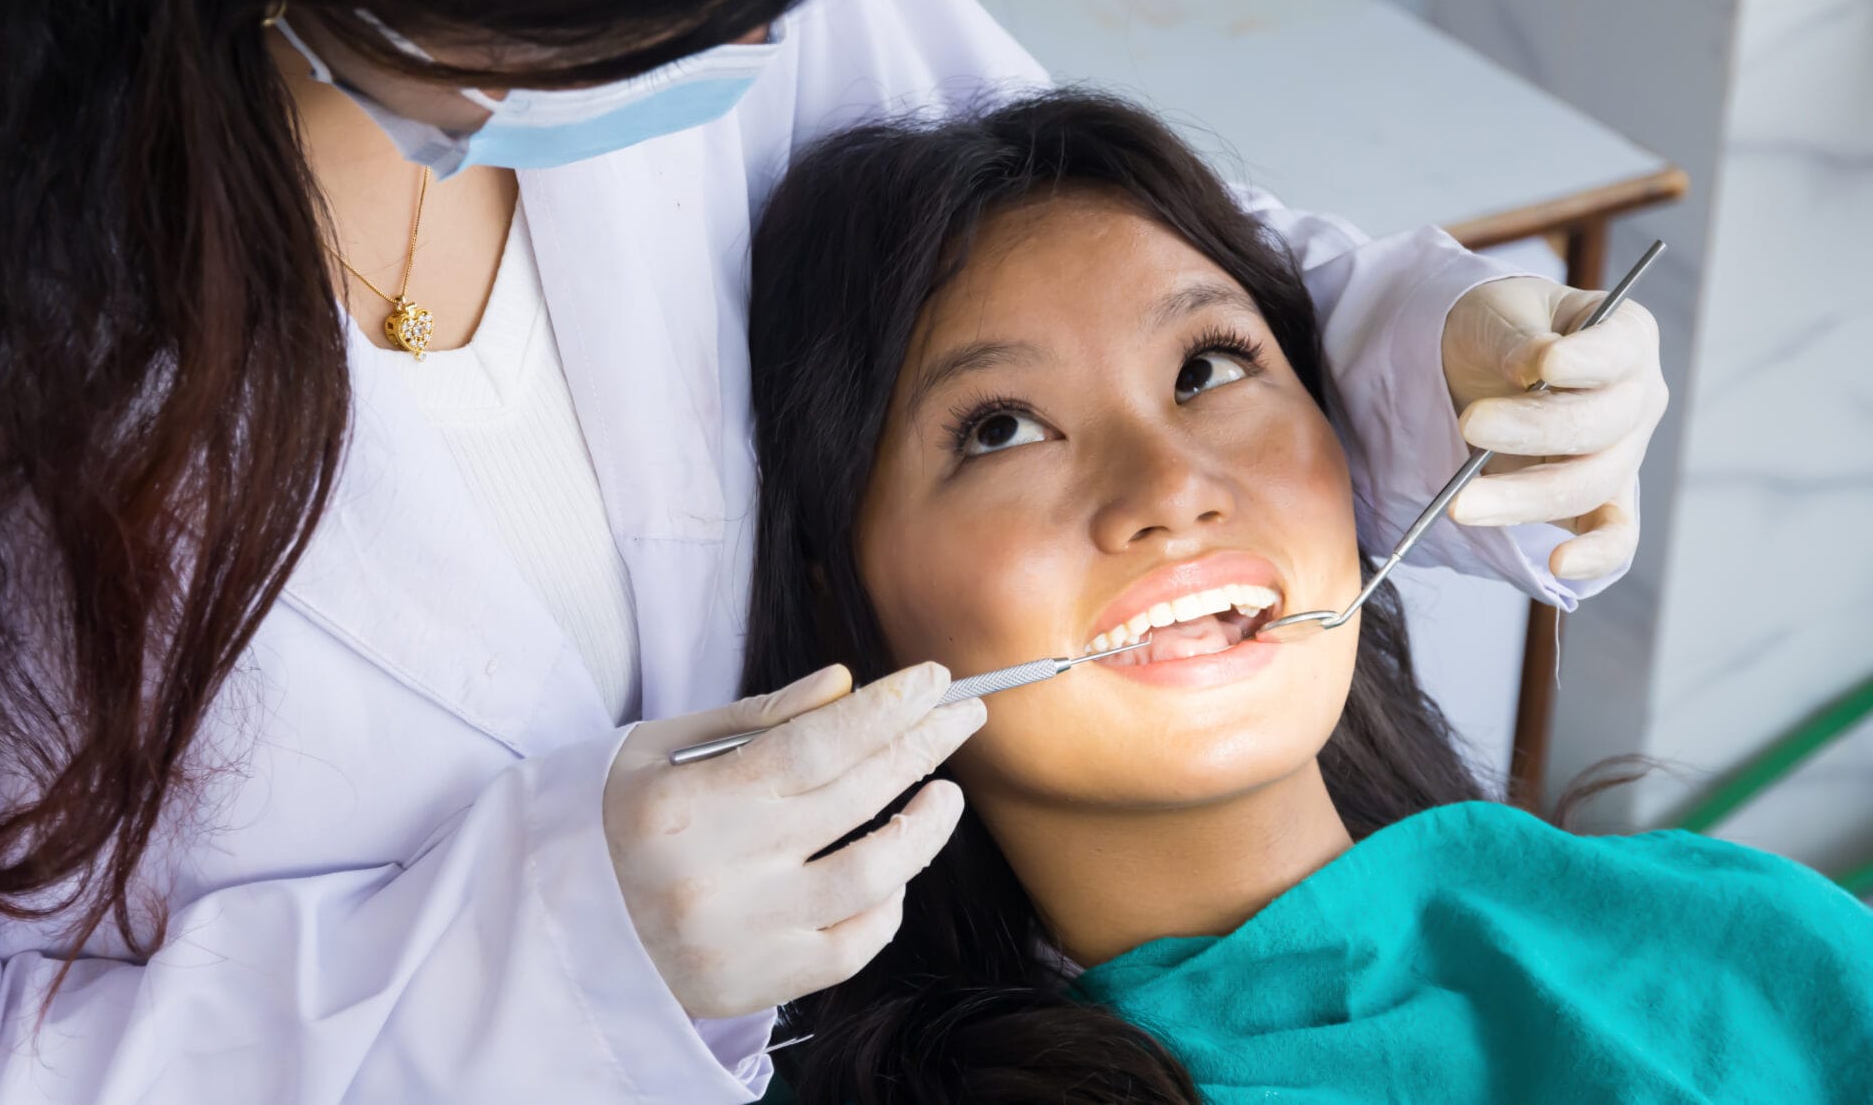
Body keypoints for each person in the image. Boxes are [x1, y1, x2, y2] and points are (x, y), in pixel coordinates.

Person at [0, 0, 1670, 1100]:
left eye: (1214, 392)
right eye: (995, 434)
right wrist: (544, 962)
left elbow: (1099, 256)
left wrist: (1423, 354)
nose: (770, 55)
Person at [739, 91, 1873, 1104]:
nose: (1172, 487)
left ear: (1341, 442)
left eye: (1206, 369)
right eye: (1000, 429)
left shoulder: (1752, 935)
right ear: (841, 601)